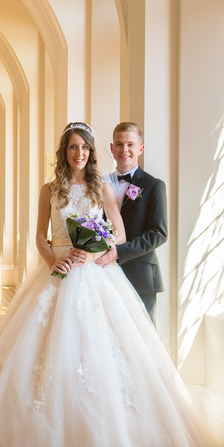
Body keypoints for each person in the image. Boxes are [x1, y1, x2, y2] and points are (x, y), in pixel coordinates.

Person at [0, 122, 207, 447]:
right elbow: (39, 236)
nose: (79, 153)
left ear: (92, 152)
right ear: (63, 152)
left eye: (84, 147)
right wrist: (55, 259)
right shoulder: (49, 190)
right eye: (72, 147)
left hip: (96, 275)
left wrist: (92, 249)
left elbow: (119, 233)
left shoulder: (104, 190)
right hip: (57, 271)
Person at [96, 122, 166, 324]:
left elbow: (158, 233)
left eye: (130, 144)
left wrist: (121, 251)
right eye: (119, 144)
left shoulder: (154, 186)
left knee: (142, 342)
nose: (124, 150)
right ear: (111, 148)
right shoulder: (99, 184)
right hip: (104, 273)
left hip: (141, 275)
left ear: (140, 149)